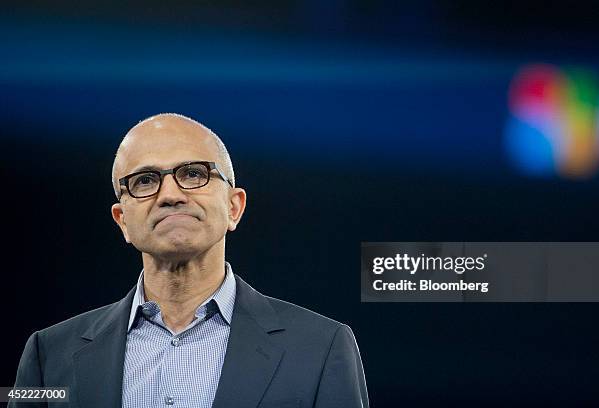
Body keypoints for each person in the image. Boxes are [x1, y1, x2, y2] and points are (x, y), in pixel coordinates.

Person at [11, 113, 369, 408]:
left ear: (234, 207)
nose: (170, 195)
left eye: (193, 174)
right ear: (123, 221)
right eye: (145, 180)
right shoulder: (49, 355)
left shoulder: (321, 348)